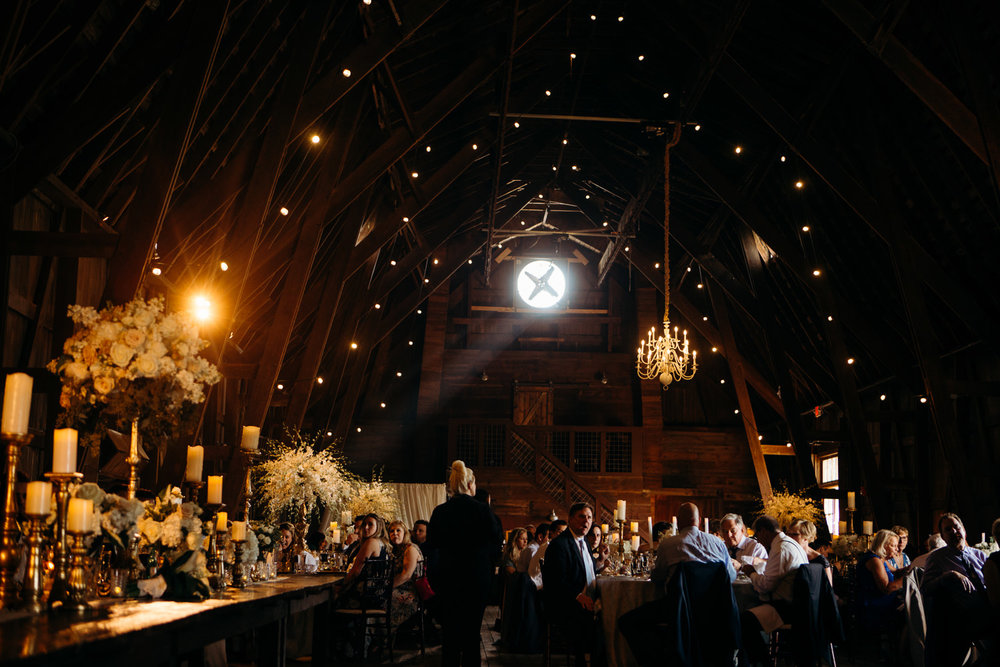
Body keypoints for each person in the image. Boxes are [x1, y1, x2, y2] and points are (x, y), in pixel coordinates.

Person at [427, 460, 503, 667]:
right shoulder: (482, 510)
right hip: (476, 578)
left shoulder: (440, 511)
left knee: (450, 634)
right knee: (471, 633)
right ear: (470, 485)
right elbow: (497, 543)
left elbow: (432, 544)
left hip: (448, 577)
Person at [921, 513, 991, 666]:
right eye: (948, 530)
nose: (954, 531)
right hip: (960, 617)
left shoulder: (979, 555)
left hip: (988, 609)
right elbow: (925, 589)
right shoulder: (937, 558)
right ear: (943, 537)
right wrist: (948, 576)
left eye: (956, 527)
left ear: (964, 530)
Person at [739, 515, 808, 665]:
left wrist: (751, 572)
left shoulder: (780, 548)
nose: (758, 540)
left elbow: (766, 585)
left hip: (787, 607)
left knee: (744, 620)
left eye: (757, 535)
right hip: (800, 603)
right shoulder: (790, 543)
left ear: (763, 531)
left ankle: (763, 663)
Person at [541, 502, 598, 667]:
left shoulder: (584, 542)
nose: (586, 522)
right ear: (571, 519)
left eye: (589, 518)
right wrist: (578, 596)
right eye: (581, 517)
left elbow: (587, 571)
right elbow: (556, 581)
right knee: (588, 617)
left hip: (586, 597)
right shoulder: (559, 545)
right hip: (564, 602)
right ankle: (582, 660)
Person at [651, 502, 736, 585]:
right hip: (714, 598)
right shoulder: (718, 543)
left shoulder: (667, 545)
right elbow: (731, 576)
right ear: (699, 520)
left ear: (678, 521)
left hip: (681, 598)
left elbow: (657, 578)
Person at [855, 529, 903, 628]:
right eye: (893, 546)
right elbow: (886, 588)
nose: (896, 549)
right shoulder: (874, 560)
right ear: (883, 545)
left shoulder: (881, 559)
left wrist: (914, 566)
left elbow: (896, 572)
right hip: (874, 609)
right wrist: (908, 578)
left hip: (882, 605)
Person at [337, 513, 390, 603]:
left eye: (370, 524)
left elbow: (355, 571)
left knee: (328, 597)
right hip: (380, 592)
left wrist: (341, 586)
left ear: (378, 526)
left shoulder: (371, 542)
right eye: (364, 524)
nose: (365, 527)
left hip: (366, 594)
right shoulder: (382, 543)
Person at [387, 520, 423, 630]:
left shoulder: (410, 548)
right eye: (392, 531)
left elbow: (406, 575)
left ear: (405, 533)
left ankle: (383, 639)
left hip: (412, 593)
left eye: (398, 530)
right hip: (399, 588)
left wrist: (386, 587)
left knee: (381, 598)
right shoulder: (396, 550)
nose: (395, 533)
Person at [788, 519, 833, 585]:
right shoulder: (788, 553)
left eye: (795, 534)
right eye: (788, 534)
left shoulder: (820, 560)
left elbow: (828, 588)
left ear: (806, 537)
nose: (789, 537)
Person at [529, 519, 567, 589]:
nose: (564, 535)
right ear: (551, 533)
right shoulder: (548, 546)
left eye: (565, 532)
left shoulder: (557, 546)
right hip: (537, 585)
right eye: (560, 532)